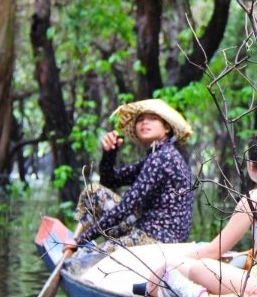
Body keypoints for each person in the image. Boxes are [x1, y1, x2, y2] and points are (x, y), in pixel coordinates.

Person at [138, 129, 257, 297]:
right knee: (213, 261)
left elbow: (225, 253)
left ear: (251, 166)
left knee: (201, 267)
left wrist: (168, 264)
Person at [63, 99, 195, 258]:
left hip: (159, 242)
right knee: (93, 192)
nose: (145, 122)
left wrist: (83, 240)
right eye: (140, 119)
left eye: (152, 118)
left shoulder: (163, 158)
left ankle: (77, 244)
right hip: (145, 231)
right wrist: (109, 153)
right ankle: (76, 239)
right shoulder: (155, 156)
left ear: (167, 127)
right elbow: (110, 181)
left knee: (89, 257)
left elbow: (126, 207)